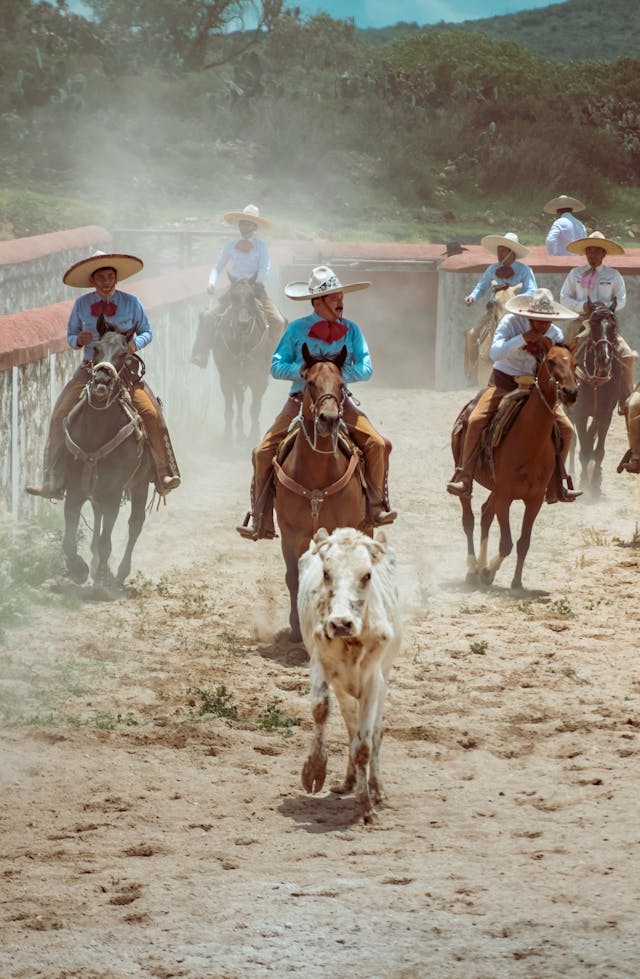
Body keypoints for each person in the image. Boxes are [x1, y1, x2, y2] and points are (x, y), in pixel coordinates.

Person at [236, 265, 397, 541]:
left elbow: (367, 368)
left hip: (339, 402)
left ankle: (375, 505)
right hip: (300, 401)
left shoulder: (352, 330)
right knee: (262, 452)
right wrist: (301, 371)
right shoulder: (297, 329)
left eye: (340, 296)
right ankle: (260, 518)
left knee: (378, 445)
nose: (340, 301)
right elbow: (276, 366)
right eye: (334, 296)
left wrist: (332, 378)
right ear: (317, 301)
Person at [27, 252, 180, 499]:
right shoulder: (81, 305)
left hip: (124, 370)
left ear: (116, 278)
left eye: (110, 276)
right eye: (101, 277)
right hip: (90, 369)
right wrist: (78, 340)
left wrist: (134, 345)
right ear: (93, 280)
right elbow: (70, 336)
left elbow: (147, 332)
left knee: (152, 413)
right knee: (58, 415)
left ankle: (164, 472)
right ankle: (52, 479)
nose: (106, 281)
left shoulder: (132, 303)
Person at [447, 287, 581, 504]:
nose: (542, 325)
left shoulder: (555, 334)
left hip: (538, 390)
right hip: (504, 383)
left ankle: (557, 481)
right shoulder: (510, 323)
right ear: (528, 315)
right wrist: (522, 338)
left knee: (566, 429)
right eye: (537, 319)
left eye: (546, 320)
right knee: (475, 419)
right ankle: (465, 476)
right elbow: (495, 352)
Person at [191, 204, 285, 367]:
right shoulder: (230, 245)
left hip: (255, 290)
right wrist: (211, 282)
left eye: (247, 223)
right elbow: (217, 267)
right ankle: (201, 354)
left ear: (254, 226)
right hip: (235, 290)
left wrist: (253, 283)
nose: (244, 226)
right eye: (242, 222)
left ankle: (274, 357)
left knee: (278, 320)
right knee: (207, 316)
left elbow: (264, 270)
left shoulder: (262, 247)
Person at [560, 231, 636, 411]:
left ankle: (626, 397)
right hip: (581, 322)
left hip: (604, 324)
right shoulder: (575, 274)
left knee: (628, 356)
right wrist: (582, 307)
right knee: (561, 355)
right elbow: (564, 298)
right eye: (589, 251)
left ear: (604, 253)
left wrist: (604, 308)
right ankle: (559, 393)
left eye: (596, 251)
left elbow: (622, 300)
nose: (592, 255)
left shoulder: (614, 275)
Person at [464, 232, 537, 307]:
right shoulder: (492, 269)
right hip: (495, 307)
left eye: (503, 251)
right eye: (498, 251)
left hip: (516, 308)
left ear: (512, 253)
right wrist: (472, 297)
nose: (499, 254)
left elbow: (532, 291)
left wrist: (513, 298)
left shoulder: (524, 270)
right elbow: (481, 287)